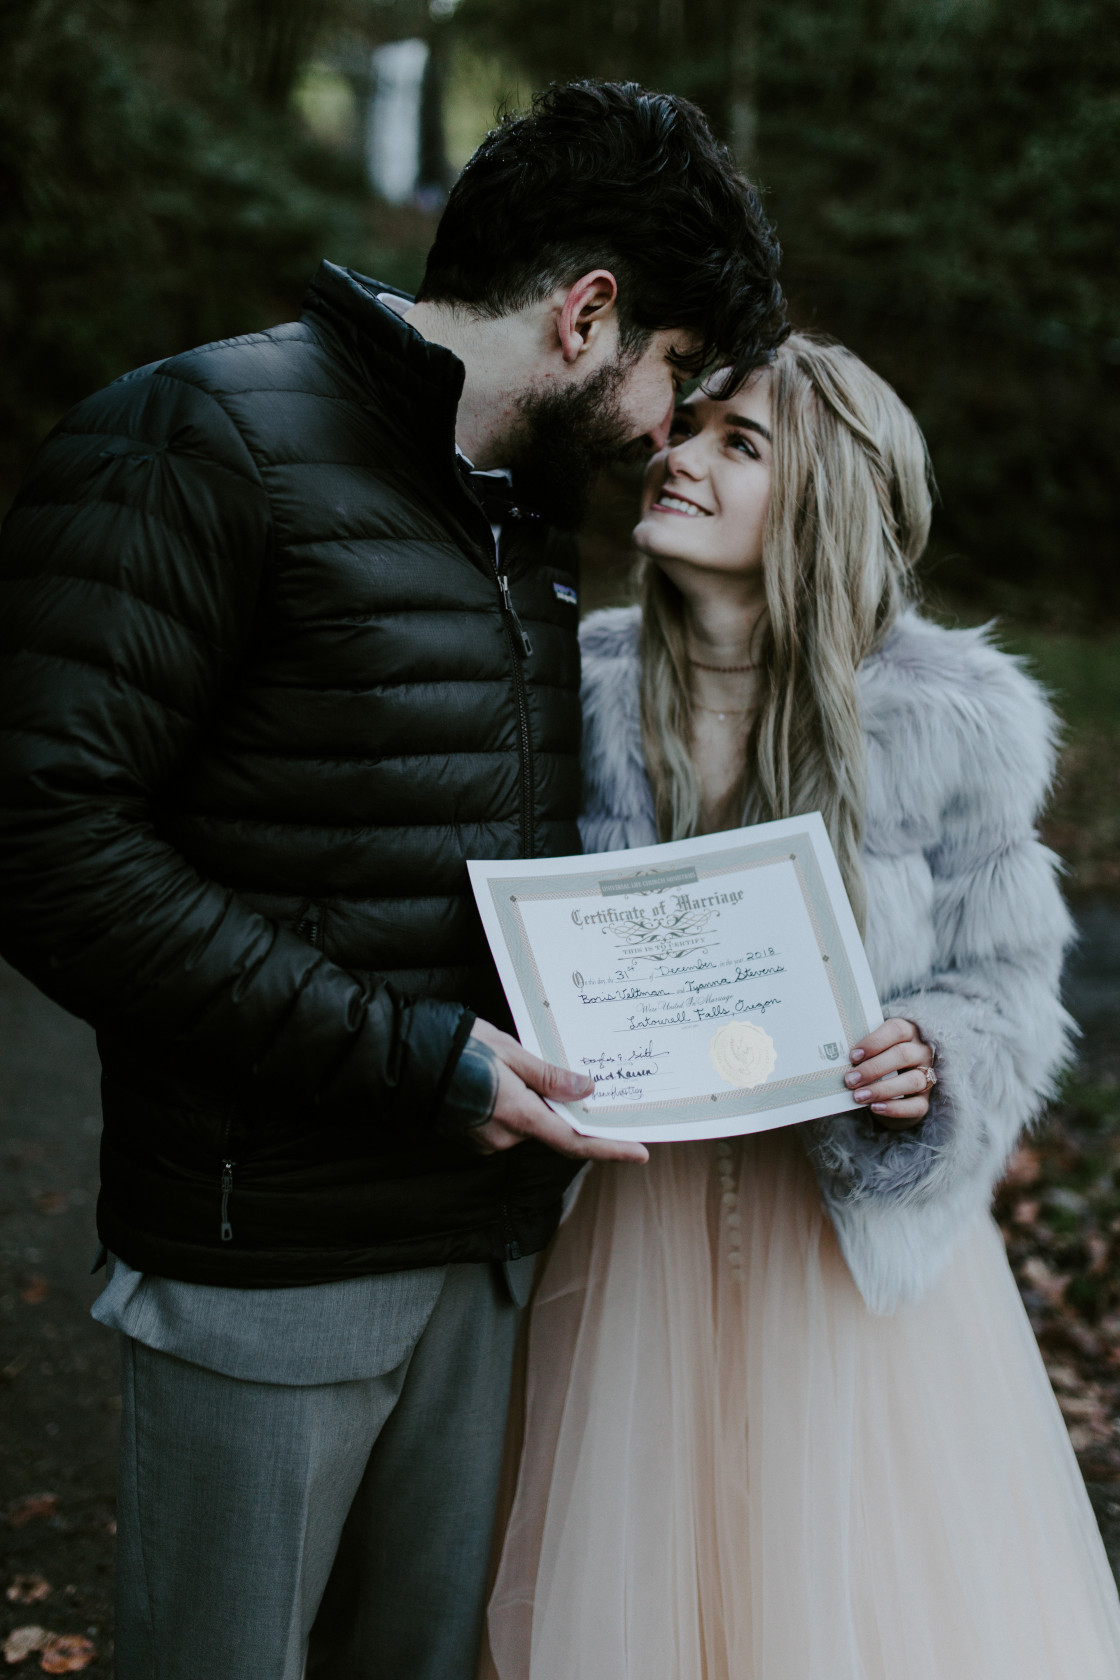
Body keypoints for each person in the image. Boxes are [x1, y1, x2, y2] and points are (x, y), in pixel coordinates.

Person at [0, 82, 785, 1680]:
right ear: (588, 314)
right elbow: (47, 840)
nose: (665, 431)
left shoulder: (534, 523)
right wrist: (413, 1059)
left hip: (491, 1256)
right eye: (676, 377)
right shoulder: (197, 437)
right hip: (266, 1264)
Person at [480, 334, 1120, 1680]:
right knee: (629, 1582)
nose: (679, 453)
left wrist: (930, 1061)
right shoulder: (571, 684)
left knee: (855, 1605)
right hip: (633, 1229)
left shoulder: (954, 717)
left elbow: (1004, 990)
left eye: (736, 442)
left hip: (846, 1250)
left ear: (822, 497)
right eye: (687, 425)